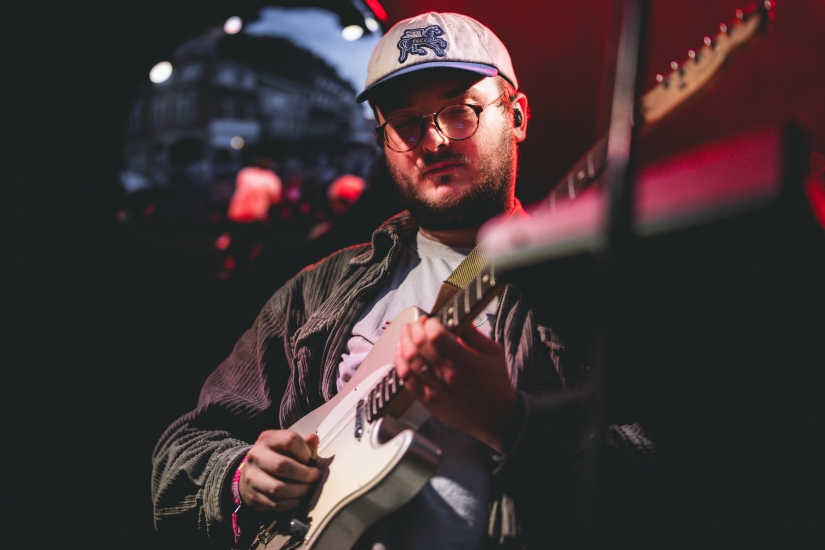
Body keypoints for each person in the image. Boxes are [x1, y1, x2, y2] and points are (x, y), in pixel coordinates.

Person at [152, 12, 588, 549]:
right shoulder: (316, 292)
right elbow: (179, 452)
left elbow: (666, 464)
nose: (433, 142)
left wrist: (511, 425)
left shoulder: (584, 281)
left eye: (459, 113)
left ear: (515, 116)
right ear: (383, 141)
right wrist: (242, 476)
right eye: (405, 125)